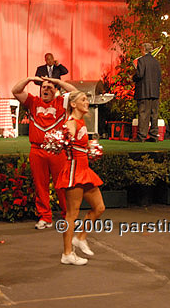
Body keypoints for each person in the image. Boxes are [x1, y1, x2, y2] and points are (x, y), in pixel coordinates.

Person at [12, 76, 77, 229]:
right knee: (40, 186)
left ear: (56, 91)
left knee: (61, 185)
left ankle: (67, 216)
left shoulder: (62, 102)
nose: (46, 89)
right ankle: (45, 217)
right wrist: (28, 79)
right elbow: (15, 90)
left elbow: (76, 93)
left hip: (57, 151)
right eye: (44, 87)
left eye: (50, 87)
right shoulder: (33, 102)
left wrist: (58, 82)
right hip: (37, 150)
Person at [55, 91, 105, 265]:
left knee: (99, 208)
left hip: (85, 171)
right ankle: (67, 253)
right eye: (83, 99)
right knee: (72, 214)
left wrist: (90, 149)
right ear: (73, 104)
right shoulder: (71, 123)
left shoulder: (81, 122)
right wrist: (62, 139)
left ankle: (80, 237)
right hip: (74, 172)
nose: (87, 102)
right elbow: (64, 140)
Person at [132, 42, 162, 142]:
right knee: (154, 114)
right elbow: (159, 77)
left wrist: (133, 78)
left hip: (144, 92)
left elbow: (139, 75)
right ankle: (154, 136)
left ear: (144, 50)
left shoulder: (141, 60)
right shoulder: (156, 62)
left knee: (143, 114)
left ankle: (141, 136)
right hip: (155, 92)